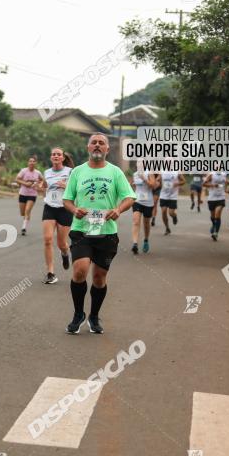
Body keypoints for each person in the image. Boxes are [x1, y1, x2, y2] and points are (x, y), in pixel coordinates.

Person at [62, 134, 136, 334]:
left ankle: (94, 316)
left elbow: (129, 197)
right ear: (88, 147)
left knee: (99, 278)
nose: (97, 145)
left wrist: (118, 210)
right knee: (80, 270)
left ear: (107, 149)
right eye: (93, 142)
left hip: (106, 231)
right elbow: (67, 199)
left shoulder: (115, 172)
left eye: (101, 143)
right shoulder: (78, 172)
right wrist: (74, 210)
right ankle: (78, 314)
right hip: (81, 229)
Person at [40, 148, 73, 284]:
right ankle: (50, 273)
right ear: (51, 157)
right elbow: (44, 187)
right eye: (53, 154)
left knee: (62, 244)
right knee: (48, 239)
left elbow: (76, 189)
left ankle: (65, 253)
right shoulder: (46, 172)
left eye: (58, 154)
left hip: (64, 209)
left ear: (63, 158)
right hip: (49, 207)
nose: (56, 156)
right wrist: (41, 188)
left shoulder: (70, 172)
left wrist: (66, 186)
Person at [131, 165, 158, 254]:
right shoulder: (135, 174)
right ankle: (135, 244)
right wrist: (133, 185)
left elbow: (153, 186)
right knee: (136, 221)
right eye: (138, 162)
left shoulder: (149, 173)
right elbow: (134, 187)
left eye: (141, 162)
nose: (139, 164)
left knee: (146, 223)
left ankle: (146, 240)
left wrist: (144, 179)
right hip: (137, 201)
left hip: (148, 202)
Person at [16, 157, 44, 236]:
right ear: (28, 163)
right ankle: (26, 217)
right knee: (22, 213)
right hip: (23, 193)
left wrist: (38, 185)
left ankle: (24, 227)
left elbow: (42, 180)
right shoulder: (23, 171)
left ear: (35, 163)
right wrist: (25, 183)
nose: (32, 162)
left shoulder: (38, 173)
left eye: (33, 161)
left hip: (32, 194)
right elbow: (17, 179)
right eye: (30, 161)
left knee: (27, 210)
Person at [203, 171, 228, 241]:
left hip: (221, 198)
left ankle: (216, 233)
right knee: (213, 216)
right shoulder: (211, 174)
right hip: (212, 198)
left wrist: (226, 186)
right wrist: (213, 185)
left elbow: (227, 182)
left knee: (218, 214)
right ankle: (214, 225)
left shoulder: (224, 174)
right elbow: (204, 184)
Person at [158, 171, 185, 235]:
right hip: (163, 195)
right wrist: (157, 181)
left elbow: (183, 181)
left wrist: (177, 184)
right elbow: (158, 180)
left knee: (171, 213)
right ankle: (167, 228)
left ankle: (174, 216)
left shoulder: (177, 172)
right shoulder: (162, 171)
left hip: (173, 196)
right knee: (163, 211)